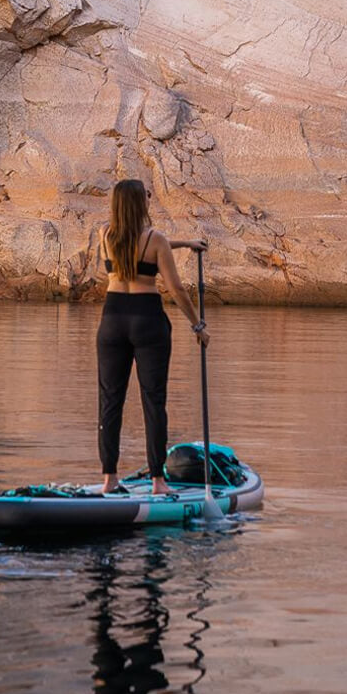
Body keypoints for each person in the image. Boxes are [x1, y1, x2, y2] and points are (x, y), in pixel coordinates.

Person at [96, 178, 209, 496]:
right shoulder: (155, 239)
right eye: (146, 195)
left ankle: (109, 479)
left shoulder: (104, 235)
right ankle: (158, 481)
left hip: (113, 318)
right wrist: (197, 325)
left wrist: (184, 243)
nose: (149, 198)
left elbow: (133, 245)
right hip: (147, 320)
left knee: (110, 401)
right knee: (153, 401)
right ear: (138, 203)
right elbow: (176, 289)